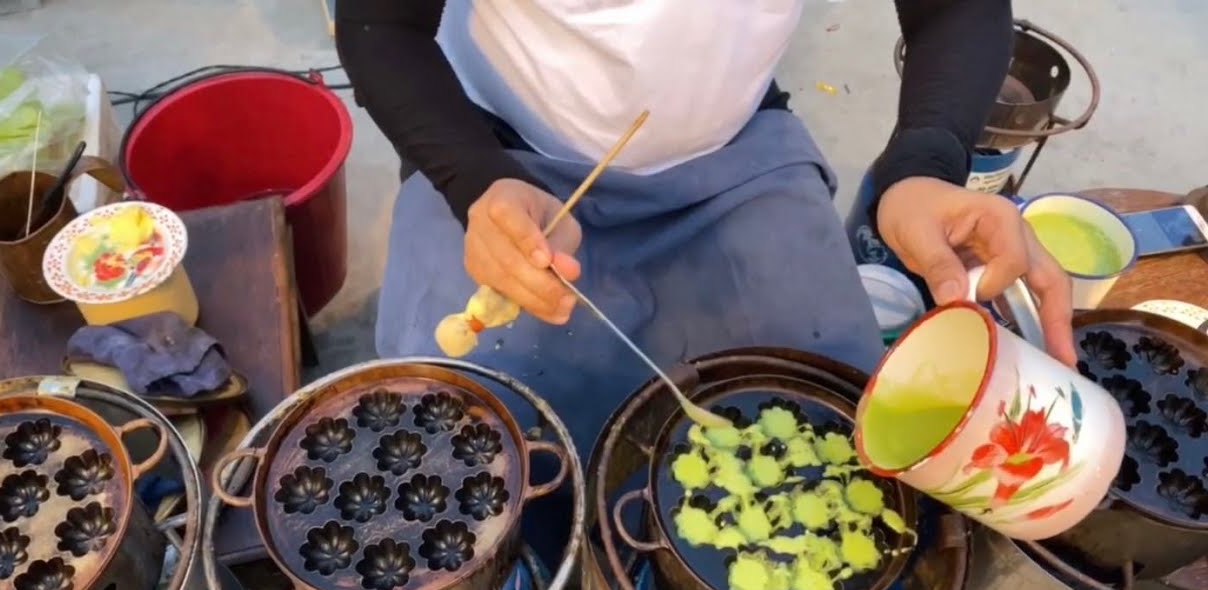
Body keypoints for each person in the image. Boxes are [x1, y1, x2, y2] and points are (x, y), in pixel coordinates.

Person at [336, 0, 1075, 556]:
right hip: (499, 155)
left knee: (830, 426)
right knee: (451, 451)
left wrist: (925, 165)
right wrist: (474, 181)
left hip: (731, 155)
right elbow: (379, 25)